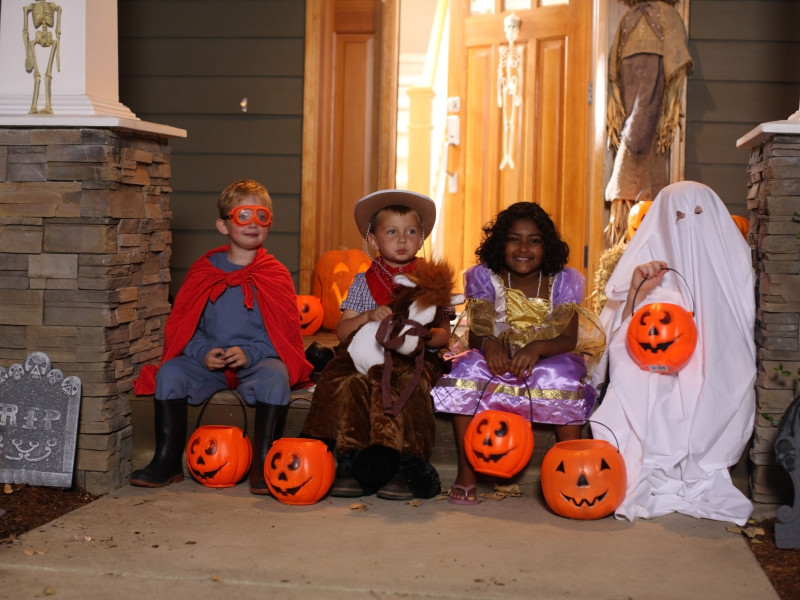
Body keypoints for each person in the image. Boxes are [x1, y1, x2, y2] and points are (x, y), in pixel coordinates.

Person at [130, 179, 313, 494]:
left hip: (257, 362)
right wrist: (202, 353)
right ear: (223, 225)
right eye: (244, 215)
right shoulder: (204, 271)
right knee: (171, 373)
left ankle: (264, 463)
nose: (253, 224)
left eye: (262, 216)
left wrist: (250, 353)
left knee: (276, 376)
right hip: (208, 364)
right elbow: (185, 328)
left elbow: (285, 334)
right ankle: (167, 459)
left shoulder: (275, 274)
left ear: (270, 223)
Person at [591, 181, 756, 525]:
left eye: (698, 215)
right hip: (652, 363)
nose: (688, 226)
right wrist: (638, 290)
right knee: (637, 373)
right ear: (663, 221)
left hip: (708, 359)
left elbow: (736, 327)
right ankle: (651, 458)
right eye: (679, 216)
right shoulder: (648, 264)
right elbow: (625, 332)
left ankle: (698, 454)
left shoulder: (730, 259)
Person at [432, 202, 607, 504]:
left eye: (534, 240)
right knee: (466, 370)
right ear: (500, 244)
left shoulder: (563, 280)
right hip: (496, 355)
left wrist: (538, 347)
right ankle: (466, 472)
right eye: (514, 238)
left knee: (564, 378)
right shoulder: (486, 277)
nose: (523, 248)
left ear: (546, 246)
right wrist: (488, 345)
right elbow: (478, 328)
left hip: (547, 357)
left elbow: (567, 337)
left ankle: (572, 468)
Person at [301, 189, 452, 501]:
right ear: (372, 241)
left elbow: (444, 335)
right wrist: (368, 316)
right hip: (366, 359)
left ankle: (406, 466)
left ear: (421, 239)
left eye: (411, 232)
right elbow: (343, 333)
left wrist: (419, 335)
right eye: (391, 232)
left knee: (411, 385)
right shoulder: (363, 281)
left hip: (414, 360)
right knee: (351, 385)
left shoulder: (430, 280)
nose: (402, 240)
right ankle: (351, 463)